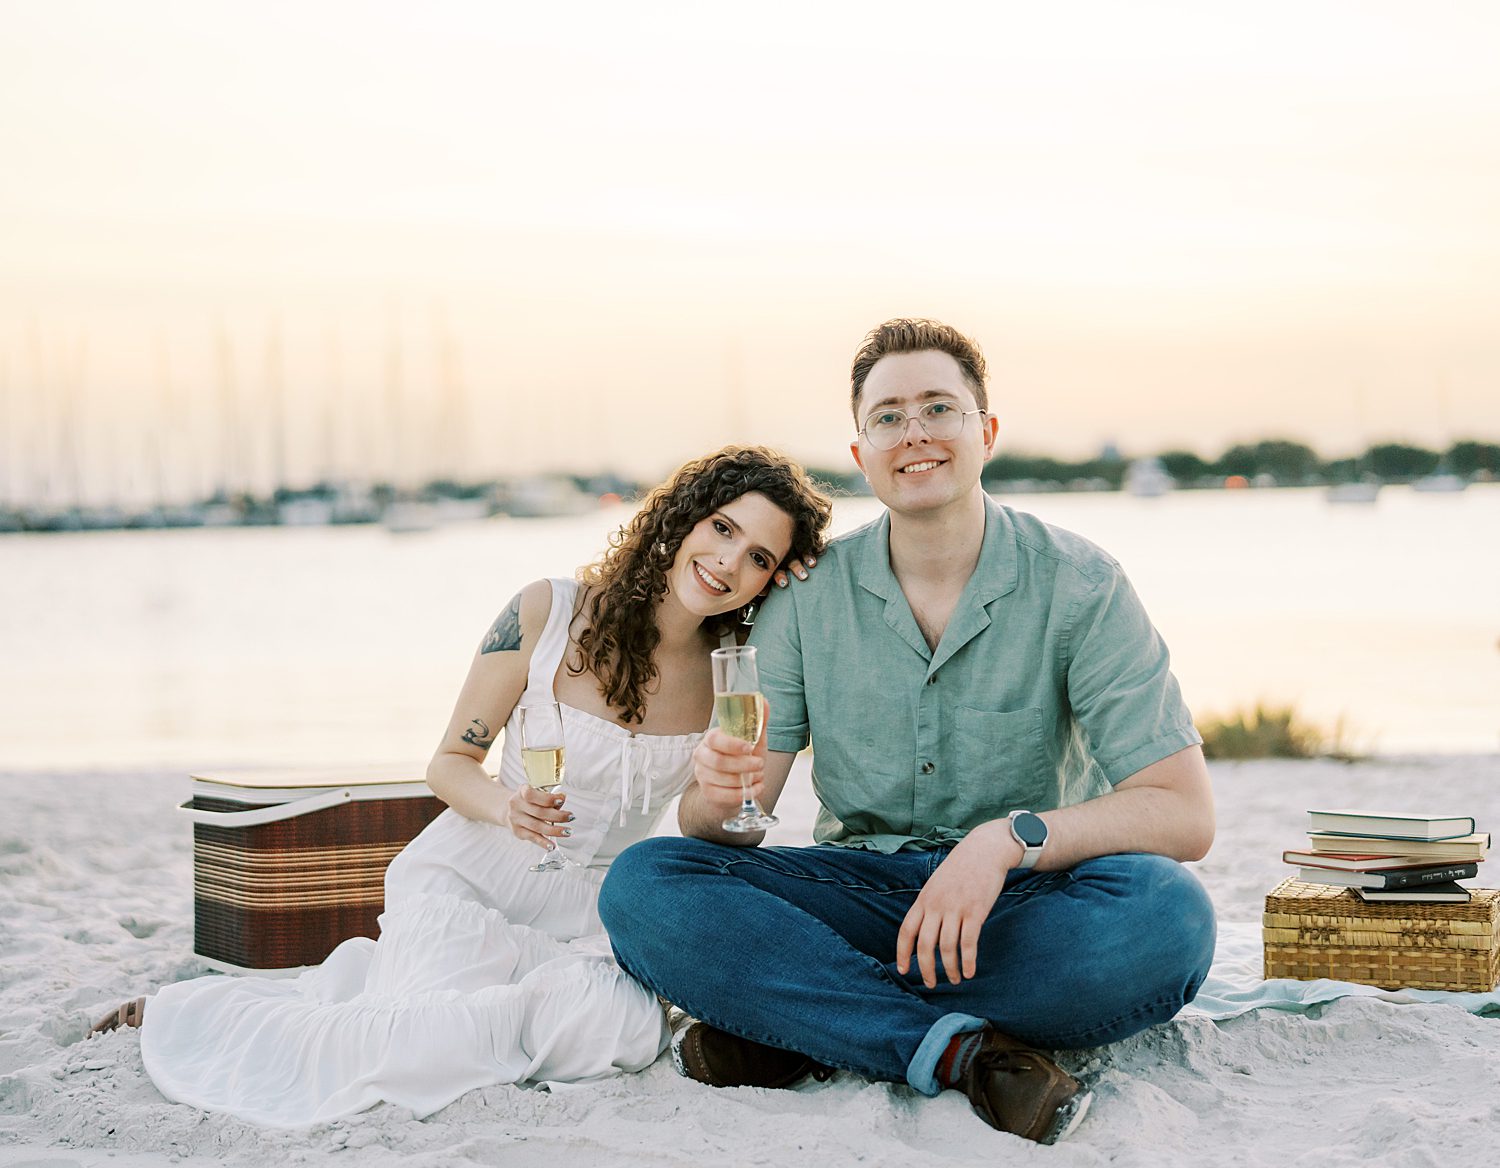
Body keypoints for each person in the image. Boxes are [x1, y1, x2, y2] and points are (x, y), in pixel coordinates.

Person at [598, 320, 1218, 1145]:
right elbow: (731, 826)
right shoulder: (805, 598)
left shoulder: (1081, 584)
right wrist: (714, 797)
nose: (915, 432)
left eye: (939, 408)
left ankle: (807, 1017)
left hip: (1024, 907)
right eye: (888, 416)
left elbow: (1184, 813)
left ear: (985, 433)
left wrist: (1004, 841)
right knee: (646, 884)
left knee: (1169, 915)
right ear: (861, 453)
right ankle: (962, 1052)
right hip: (857, 895)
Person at [89, 445, 832, 1128]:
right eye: (723, 528)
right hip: (472, 879)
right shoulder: (546, 612)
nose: (729, 560)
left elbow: (722, 819)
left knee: (623, 1028)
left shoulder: (738, 666)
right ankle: (199, 1018)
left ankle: (364, 996)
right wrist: (508, 807)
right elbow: (447, 763)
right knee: (429, 1020)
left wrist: (802, 609)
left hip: (594, 909)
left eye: (760, 556)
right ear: (683, 519)